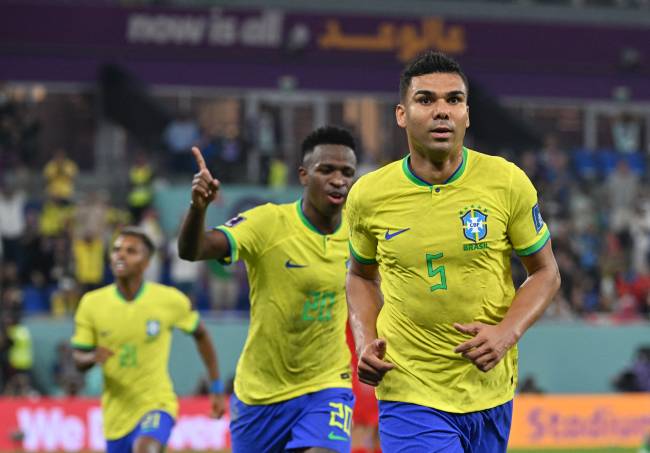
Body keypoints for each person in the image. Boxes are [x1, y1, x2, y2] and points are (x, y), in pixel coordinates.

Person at [345, 51, 561, 453]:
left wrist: (506, 333)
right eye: (426, 100)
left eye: (454, 100)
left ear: (467, 113)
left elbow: (545, 272)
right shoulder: (369, 195)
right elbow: (359, 275)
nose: (441, 111)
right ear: (401, 114)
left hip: (489, 389)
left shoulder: (506, 182)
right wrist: (365, 340)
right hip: (409, 386)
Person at [178, 125, 358, 453]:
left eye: (347, 172)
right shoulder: (268, 223)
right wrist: (198, 208)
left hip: (327, 383)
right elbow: (194, 250)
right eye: (326, 170)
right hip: (261, 393)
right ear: (304, 175)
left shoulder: (361, 233)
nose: (338, 180)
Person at [70, 227, 225, 453]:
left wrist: (216, 386)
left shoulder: (169, 300)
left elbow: (201, 335)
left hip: (157, 403)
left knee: (145, 448)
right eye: (116, 250)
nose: (120, 255)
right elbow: (78, 358)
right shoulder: (91, 304)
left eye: (131, 251)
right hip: (116, 417)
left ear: (146, 262)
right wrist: (92, 356)